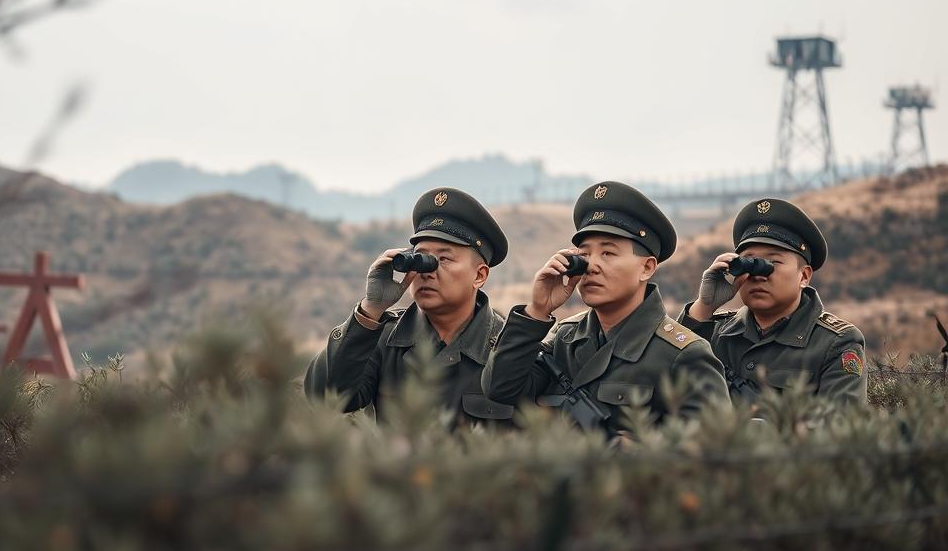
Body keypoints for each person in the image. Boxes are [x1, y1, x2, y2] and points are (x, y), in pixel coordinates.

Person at [482, 181, 729, 437]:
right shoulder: (565, 340)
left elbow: (718, 453)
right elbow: (500, 389)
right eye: (584, 255)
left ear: (646, 267)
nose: (591, 266)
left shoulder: (682, 354)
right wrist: (537, 309)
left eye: (608, 253)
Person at [304, 187, 515, 426]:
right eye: (421, 258)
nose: (427, 272)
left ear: (479, 275)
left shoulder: (510, 348)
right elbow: (326, 397)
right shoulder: (383, 338)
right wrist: (371, 309)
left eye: (444, 259)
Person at [678, 197, 866, 402]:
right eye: (750, 262)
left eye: (774, 262)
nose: (759, 274)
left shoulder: (834, 343)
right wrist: (705, 305)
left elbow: (839, 426)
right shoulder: (717, 334)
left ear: (804, 276)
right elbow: (668, 379)